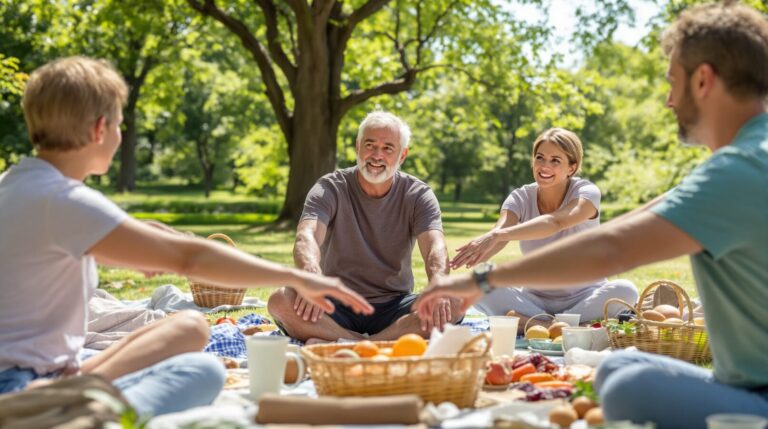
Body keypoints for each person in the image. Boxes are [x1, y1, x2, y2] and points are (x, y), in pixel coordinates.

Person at [413, 3, 768, 428]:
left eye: (673, 82)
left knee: (622, 389)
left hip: (757, 394)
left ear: (703, 79)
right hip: (741, 381)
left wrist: (483, 279)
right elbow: (631, 223)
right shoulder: (744, 158)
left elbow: (612, 248)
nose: (669, 99)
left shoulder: (739, 170)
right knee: (616, 369)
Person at [0, 56, 373, 417]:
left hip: (50, 374)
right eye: (118, 124)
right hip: (18, 384)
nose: (120, 133)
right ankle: (64, 411)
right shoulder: (64, 201)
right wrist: (295, 277)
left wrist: (151, 240)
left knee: (190, 326)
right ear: (100, 129)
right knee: (202, 372)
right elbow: (191, 259)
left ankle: (71, 397)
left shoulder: (19, 186)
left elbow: (76, 240)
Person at [268, 111, 458, 343]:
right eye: (370, 145)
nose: (377, 155)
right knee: (280, 301)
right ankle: (370, 342)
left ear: (402, 155)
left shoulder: (418, 194)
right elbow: (306, 237)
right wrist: (310, 276)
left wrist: (438, 282)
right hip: (332, 302)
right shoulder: (330, 187)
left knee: (455, 302)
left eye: (388, 148)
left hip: (394, 305)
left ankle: (354, 342)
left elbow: (435, 246)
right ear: (358, 147)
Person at [450, 128, 637, 329]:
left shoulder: (587, 193)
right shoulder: (520, 197)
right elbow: (501, 235)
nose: (545, 166)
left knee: (626, 290)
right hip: (533, 300)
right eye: (540, 158)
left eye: (555, 160)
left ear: (571, 168)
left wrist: (497, 235)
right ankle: (564, 326)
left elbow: (556, 222)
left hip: (585, 296)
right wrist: (477, 255)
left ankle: (533, 324)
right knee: (478, 283)